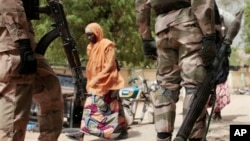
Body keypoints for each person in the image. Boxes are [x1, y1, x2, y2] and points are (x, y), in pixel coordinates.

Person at [135, 0, 219, 141]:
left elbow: (141, 4)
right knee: (194, 87)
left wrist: (145, 37)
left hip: (162, 27)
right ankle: (193, 137)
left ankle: (163, 136)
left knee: (166, 86)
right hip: (188, 23)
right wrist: (209, 35)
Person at [0, 0, 64, 140]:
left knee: (50, 89)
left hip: (26, 43)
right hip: (13, 45)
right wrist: (22, 43)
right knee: (14, 117)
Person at [66, 22, 128, 140]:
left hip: (110, 82)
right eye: (87, 35)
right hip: (97, 83)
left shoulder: (107, 45)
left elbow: (109, 65)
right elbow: (92, 66)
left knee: (95, 106)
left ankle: (85, 133)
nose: (89, 38)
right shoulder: (90, 47)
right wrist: (91, 80)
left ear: (97, 32)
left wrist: (97, 79)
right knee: (114, 107)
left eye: (91, 35)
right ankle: (82, 133)